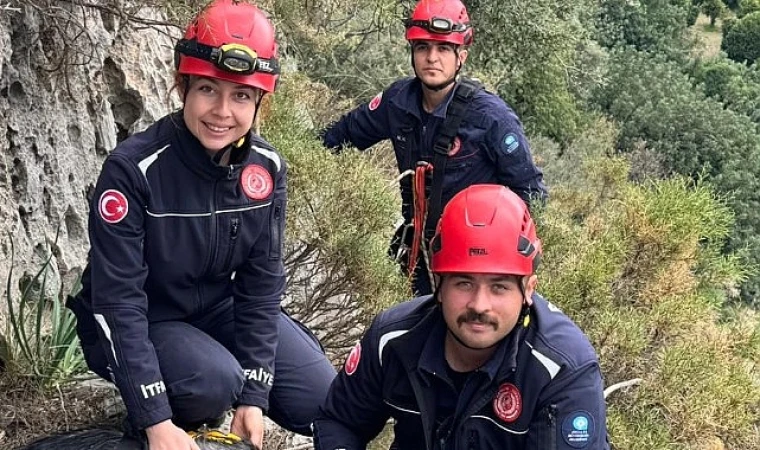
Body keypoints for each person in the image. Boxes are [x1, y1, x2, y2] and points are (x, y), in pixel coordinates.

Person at [65, 1, 336, 449]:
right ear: (183, 84)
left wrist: (254, 395)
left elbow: (261, 285)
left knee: (321, 399)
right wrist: (155, 419)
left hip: (214, 309)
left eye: (241, 95)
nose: (222, 111)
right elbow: (118, 302)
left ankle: (212, 382)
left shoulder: (266, 170)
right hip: (143, 316)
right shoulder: (133, 171)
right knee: (210, 384)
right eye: (208, 89)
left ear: (260, 102)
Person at [313, 184, 609, 450]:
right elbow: (340, 422)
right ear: (439, 286)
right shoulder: (393, 341)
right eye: (463, 283)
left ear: (528, 290)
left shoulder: (562, 369)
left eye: (499, 287)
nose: (480, 305)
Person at [320, 0, 548, 296]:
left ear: (461, 57)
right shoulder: (397, 102)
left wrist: (499, 264)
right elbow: (341, 136)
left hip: (470, 260)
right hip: (414, 250)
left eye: (443, 49)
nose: (432, 58)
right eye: (423, 48)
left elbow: (530, 192)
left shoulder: (491, 118)